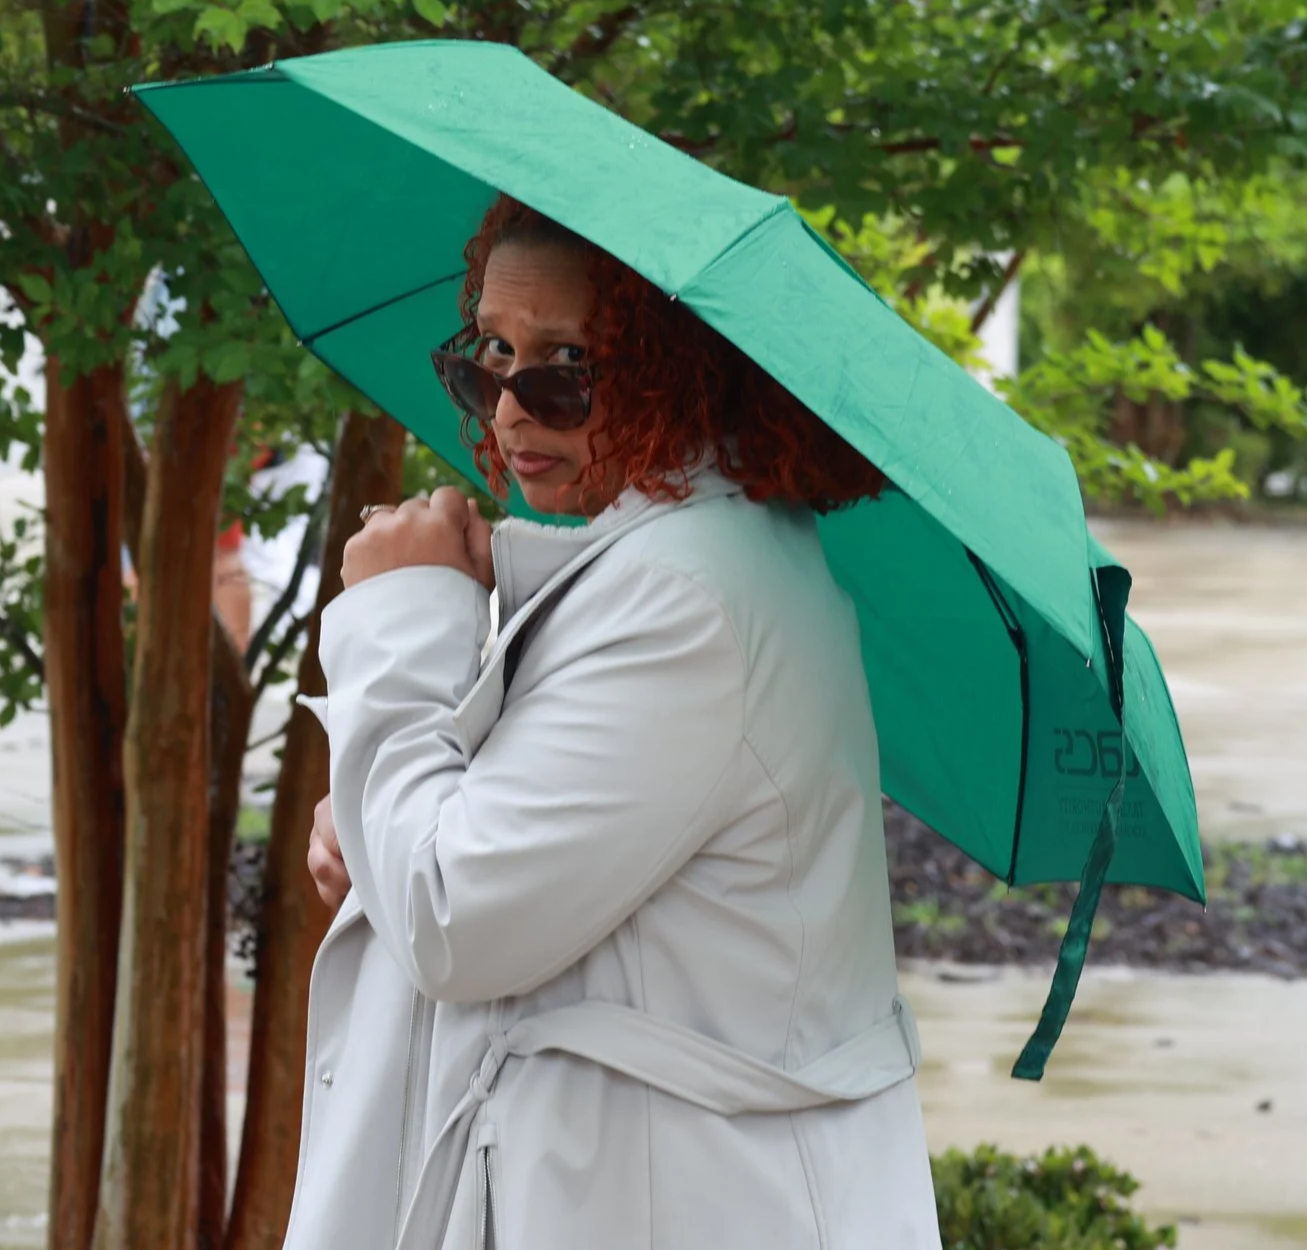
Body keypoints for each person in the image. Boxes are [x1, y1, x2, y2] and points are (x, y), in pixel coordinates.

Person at [295, 196, 942, 1249]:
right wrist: (378, 824)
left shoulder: (681, 597)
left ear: (676, 367)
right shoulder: (679, 558)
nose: (512, 411)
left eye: (566, 365)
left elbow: (453, 918)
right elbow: (545, 855)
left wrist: (401, 614)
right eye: (490, 355)